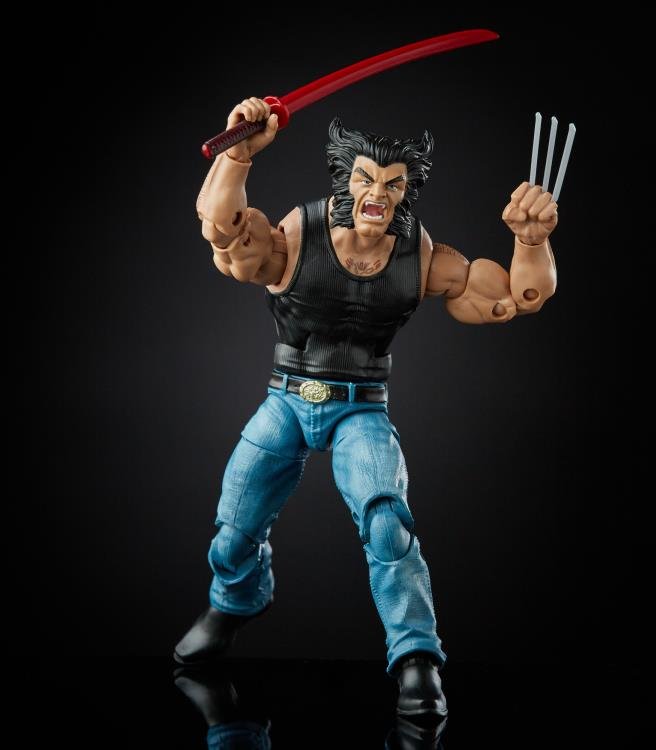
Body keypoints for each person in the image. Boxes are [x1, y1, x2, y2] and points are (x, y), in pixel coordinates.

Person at [174, 98, 558, 718]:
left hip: (361, 409)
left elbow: (517, 297)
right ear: (344, 180)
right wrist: (237, 154)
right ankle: (234, 602)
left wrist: (531, 242)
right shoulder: (296, 237)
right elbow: (222, 230)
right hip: (288, 399)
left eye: (393, 184)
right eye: (365, 179)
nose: (378, 194)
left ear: (405, 193)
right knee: (234, 526)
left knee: (386, 524)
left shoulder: (422, 257)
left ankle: (416, 658)